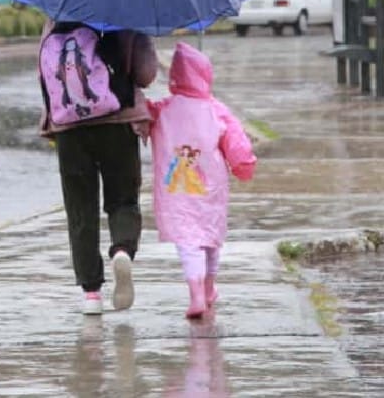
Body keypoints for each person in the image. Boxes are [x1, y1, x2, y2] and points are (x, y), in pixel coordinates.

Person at [39, 19, 159, 315]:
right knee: (123, 199)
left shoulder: (56, 16)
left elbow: (46, 74)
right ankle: (122, 250)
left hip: (69, 127)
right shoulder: (126, 13)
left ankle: (91, 293)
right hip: (117, 123)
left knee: (80, 209)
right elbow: (145, 75)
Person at [147, 42, 256, 319]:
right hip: (210, 188)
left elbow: (141, 116)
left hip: (176, 190)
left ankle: (196, 293)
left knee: (188, 240)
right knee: (209, 237)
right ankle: (208, 288)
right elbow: (237, 143)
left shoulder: (163, 109)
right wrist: (243, 167)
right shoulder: (216, 109)